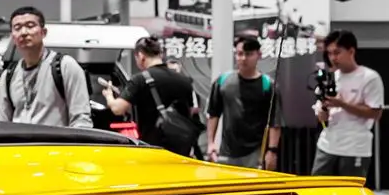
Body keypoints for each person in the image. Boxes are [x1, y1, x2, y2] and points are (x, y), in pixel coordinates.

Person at [0, 6, 92, 128]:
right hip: (19, 140)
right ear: (13, 36)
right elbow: (1, 125)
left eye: (30, 26)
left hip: (55, 140)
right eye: (17, 28)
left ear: (43, 32)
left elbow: (81, 120)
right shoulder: (8, 76)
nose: (24, 32)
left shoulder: (65, 66)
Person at [100, 36, 198, 153]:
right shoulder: (184, 80)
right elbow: (190, 111)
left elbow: (118, 109)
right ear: (160, 54)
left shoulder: (140, 80)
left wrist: (109, 96)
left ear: (141, 56)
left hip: (152, 146)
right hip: (181, 148)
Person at [312, 29, 384, 180]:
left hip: (355, 148)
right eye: (329, 53)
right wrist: (323, 108)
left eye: (337, 52)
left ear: (351, 51)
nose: (333, 58)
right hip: (327, 145)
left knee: (349, 192)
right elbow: (322, 117)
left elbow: (376, 113)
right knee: (318, 189)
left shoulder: (369, 77)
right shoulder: (330, 78)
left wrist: (342, 104)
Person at [206, 35, 281, 169]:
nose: (244, 58)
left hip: (255, 154)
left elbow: (275, 122)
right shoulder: (223, 81)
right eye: (240, 54)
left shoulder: (268, 85)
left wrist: (272, 151)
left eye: (249, 54)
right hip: (226, 153)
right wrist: (211, 143)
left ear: (258, 55)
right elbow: (213, 113)